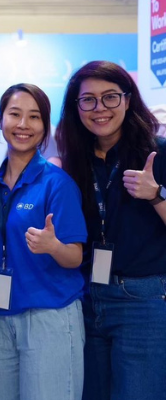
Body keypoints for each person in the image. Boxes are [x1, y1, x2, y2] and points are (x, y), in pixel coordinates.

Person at [55, 61, 166, 400]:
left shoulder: (157, 152)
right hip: (88, 298)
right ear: (76, 107)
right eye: (88, 100)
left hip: (142, 299)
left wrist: (156, 194)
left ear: (127, 100)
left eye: (110, 97)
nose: (99, 108)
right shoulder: (73, 160)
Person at [0, 83, 87, 400]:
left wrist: (54, 246)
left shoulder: (57, 184)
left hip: (49, 317)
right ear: (1, 120)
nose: (23, 124)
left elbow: (75, 257)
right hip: (2, 318)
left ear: (44, 126)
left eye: (34, 117)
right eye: (15, 114)